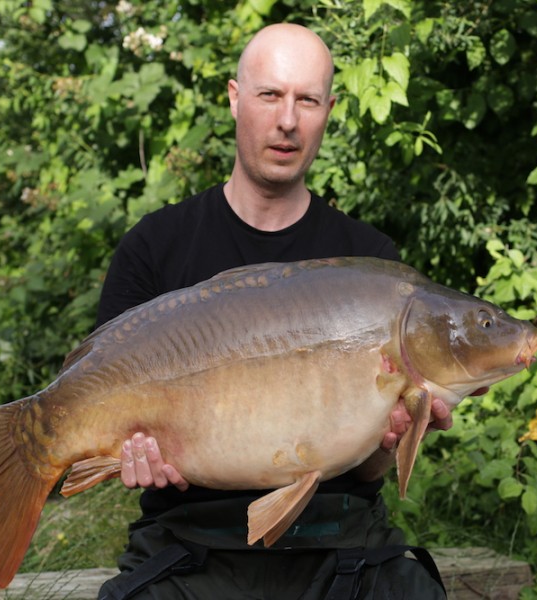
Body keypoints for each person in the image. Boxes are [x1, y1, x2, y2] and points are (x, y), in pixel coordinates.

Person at [94, 23, 452, 600]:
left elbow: (364, 473)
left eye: (307, 100)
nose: (288, 120)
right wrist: (127, 458)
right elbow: (106, 405)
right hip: (191, 544)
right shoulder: (155, 247)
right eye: (270, 95)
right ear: (235, 99)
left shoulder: (370, 266)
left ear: (328, 110)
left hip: (338, 542)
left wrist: (388, 444)